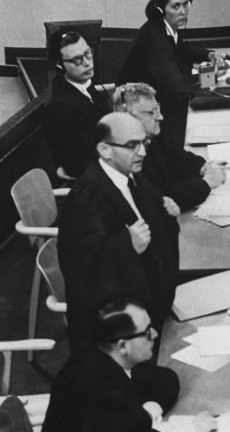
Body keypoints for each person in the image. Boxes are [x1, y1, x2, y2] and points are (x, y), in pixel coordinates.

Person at [36, 296, 217, 432]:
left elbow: (164, 380)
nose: (154, 334)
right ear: (123, 346)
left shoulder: (94, 358)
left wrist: (147, 412)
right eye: (147, 332)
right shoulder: (103, 390)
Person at [58, 112, 179, 351]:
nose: (143, 152)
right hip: (118, 337)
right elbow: (78, 266)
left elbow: (151, 224)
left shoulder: (131, 176)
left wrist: (166, 215)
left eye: (144, 143)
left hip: (155, 306)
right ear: (105, 150)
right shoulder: (86, 198)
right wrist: (127, 244)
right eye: (132, 145)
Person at [116, 0, 209, 149]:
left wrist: (210, 55)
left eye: (186, 4)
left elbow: (183, 50)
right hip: (137, 114)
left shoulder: (166, 28)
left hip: (157, 104)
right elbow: (175, 87)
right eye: (176, 6)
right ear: (161, 9)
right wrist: (208, 90)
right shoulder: (155, 37)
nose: (183, 11)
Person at [113, 82, 226, 213]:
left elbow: (179, 157)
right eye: (151, 113)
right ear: (128, 116)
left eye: (158, 109)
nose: (160, 117)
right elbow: (162, 199)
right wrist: (206, 183)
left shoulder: (152, 136)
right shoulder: (126, 155)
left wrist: (203, 167)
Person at [42, 30, 112, 177]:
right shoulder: (60, 108)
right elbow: (77, 165)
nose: (87, 62)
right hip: (94, 181)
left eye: (88, 53)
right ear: (60, 65)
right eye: (77, 60)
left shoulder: (83, 84)